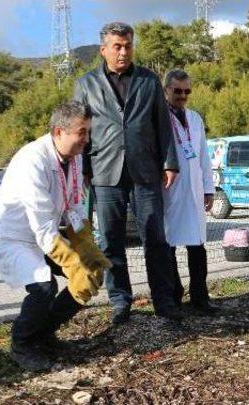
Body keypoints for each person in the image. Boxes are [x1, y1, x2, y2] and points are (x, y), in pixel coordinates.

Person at [0, 102, 111, 371]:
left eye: (88, 132)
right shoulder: (33, 160)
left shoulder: (73, 158)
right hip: (11, 236)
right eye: (81, 132)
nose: (86, 140)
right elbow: (41, 223)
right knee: (44, 286)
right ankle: (22, 344)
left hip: (42, 234)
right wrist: (71, 260)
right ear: (58, 131)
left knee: (91, 273)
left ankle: (44, 335)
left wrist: (85, 245)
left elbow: (74, 205)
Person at [73, 22, 183, 325]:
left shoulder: (148, 80)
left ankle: (164, 300)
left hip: (145, 171)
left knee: (155, 239)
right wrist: (81, 168)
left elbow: (163, 124)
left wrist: (170, 162)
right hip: (104, 171)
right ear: (104, 49)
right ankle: (120, 301)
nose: (123, 51)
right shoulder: (86, 84)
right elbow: (79, 128)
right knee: (110, 241)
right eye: (118, 46)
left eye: (128, 46)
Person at [162, 69, 219, 315]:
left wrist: (208, 188)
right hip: (169, 189)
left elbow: (203, 156)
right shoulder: (159, 116)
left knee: (197, 245)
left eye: (187, 91)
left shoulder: (194, 118)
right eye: (177, 91)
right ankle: (173, 297)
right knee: (169, 245)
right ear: (166, 90)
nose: (182, 96)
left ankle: (200, 298)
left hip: (195, 188)